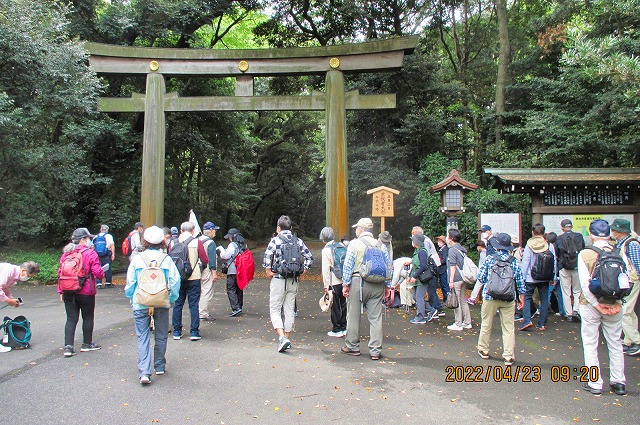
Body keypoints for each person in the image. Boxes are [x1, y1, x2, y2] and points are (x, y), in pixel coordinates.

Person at [124, 226, 181, 385]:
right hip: (162, 301)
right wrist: (171, 298)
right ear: (163, 241)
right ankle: (160, 365)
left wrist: (131, 297)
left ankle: (144, 372)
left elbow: (130, 283)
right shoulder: (167, 259)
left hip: (141, 302)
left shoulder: (137, 259)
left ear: (145, 241)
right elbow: (175, 281)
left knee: (142, 336)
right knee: (161, 334)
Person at [577, 219, 626, 396]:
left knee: (590, 343)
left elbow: (584, 285)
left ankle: (595, 382)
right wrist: (618, 303)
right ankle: (618, 381)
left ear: (591, 234)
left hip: (591, 305)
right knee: (615, 342)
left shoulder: (585, 254)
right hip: (614, 305)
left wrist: (597, 305)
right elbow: (624, 281)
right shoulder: (618, 252)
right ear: (608, 234)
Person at [340, 218, 391, 360]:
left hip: (358, 282)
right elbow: (388, 266)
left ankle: (352, 346)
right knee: (375, 318)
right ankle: (375, 350)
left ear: (361, 229)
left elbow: (348, 266)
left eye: (357, 228)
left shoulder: (354, 244)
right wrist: (387, 286)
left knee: (353, 315)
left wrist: (346, 284)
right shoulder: (381, 245)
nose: (356, 230)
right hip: (377, 284)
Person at [263, 215, 313, 352]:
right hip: (293, 280)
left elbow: (267, 256)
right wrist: (304, 270)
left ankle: (282, 338)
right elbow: (309, 257)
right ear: (290, 228)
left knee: (275, 309)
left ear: (278, 228)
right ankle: (287, 338)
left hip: (279, 279)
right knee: (289, 309)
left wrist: (268, 270)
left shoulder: (275, 240)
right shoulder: (298, 241)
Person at [476, 233, 525, 366]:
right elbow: (520, 281)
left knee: (486, 324)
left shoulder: (490, 259)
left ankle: (483, 350)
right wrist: (521, 296)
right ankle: (508, 356)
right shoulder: (514, 261)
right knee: (508, 327)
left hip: (490, 296)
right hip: (508, 297)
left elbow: (480, 277)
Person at [58, 228, 105, 357]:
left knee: (71, 319)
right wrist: (102, 273)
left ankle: (68, 347)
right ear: (83, 240)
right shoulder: (90, 253)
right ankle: (87, 344)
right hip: (86, 291)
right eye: (88, 238)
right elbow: (98, 273)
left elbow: (60, 274)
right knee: (88, 317)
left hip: (68, 290)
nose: (90, 240)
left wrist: (61, 291)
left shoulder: (66, 254)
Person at [172, 222, 208, 341]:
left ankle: (177, 331)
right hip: (194, 276)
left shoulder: (174, 242)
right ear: (193, 231)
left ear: (181, 231)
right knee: (193, 305)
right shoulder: (196, 242)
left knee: (178, 304)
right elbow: (204, 259)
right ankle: (194, 332)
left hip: (177, 278)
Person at [609, 218, 640, 357]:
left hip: (632, 280)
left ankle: (636, 341)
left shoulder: (631, 244)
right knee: (629, 311)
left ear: (621, 231)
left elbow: (637, 264)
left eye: (615, 230)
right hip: (626, 281)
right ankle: (628, 341)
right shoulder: (621, 243)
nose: (613, 232)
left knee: (625, 311)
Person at [519, 223, 557, 331]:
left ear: (532, 232)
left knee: (526, 297)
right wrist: (553, 277)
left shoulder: (529, 244)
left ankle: (527, 320)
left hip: (531, 276)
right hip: (545, 276)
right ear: (544, 233)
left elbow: (526, 261)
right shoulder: (549, 244)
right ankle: (542, 324)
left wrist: (523, 277)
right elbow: (554, 261)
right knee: (544, 299)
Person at [0, 261, 39, 353]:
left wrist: (11, 299)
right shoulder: (8, 270)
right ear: (23, 270)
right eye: (29, 276)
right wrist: (8, 301)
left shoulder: (14, 276)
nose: (28, 278)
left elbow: (5, 288)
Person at [556, 219, 586, 322]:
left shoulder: (559, 238)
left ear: (562, 227)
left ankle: (568, 314)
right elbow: (582, 249)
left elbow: (557, 253)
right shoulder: (579, 236)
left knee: (566, 291)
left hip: (564, 267)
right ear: (572, 226)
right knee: (577, 290)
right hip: (577, 267)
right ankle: (576, 311)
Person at [320, 226, 347, 337]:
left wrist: (326, 286)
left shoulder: (326, 250)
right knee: (344, 304)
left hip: (333, 281)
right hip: (344, 279)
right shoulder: (341, 245)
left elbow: (326, 269)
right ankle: (345, 327)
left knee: (335, 306)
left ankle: (337, 329)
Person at [411, 227, 444, 314]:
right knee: (429, 289)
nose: (412, 235)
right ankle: (436, 308)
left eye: (413, 233)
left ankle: (434, 309)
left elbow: (424, 258)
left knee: (430, 289)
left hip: (431, 268)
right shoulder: (425, 240)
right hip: (431, 266)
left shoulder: (424, 242)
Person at [407, 233, 438, 324]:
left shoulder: (422, 251)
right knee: (415, 297)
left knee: (419, 297)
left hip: (422, 278)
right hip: (417, 277)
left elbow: (423, 266)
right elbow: (414, 265)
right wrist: (410, 276)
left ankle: (420, 317)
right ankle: (431, 310)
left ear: (417, 242)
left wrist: (415, 276)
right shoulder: (417, 251)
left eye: (413, 240)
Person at [446, 228, 472, 330]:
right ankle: (467, 322)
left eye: (448, 236)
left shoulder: (452, 250)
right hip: (463, 277)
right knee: (462, 300)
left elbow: (452, 266)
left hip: (456, 278)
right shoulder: (461, 249)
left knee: (455, 301)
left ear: (451, 238)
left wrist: (451, 280)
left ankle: (458, 323)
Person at [218, 228, 246, 317]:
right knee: (239, 288)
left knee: (231, 288)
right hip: (241, 270)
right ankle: (239, 306)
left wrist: (221, 249)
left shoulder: (232, 245)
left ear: (233, 236)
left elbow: (225, 256)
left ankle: (236, 308)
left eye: (229, 237)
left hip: (232, 270)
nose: (229, 239)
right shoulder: (243, 245)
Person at [199, 221, 219, 321]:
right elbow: (212, 259)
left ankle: (198, 311)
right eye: (214, 230)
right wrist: (214, 272)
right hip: (207, 269)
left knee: (199, 291)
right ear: (211, 231)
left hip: (197, 269)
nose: (215, 232)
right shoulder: (210, 243)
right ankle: (203, 313)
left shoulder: (197, 239)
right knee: (206, 290)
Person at [93, 224, 115, 289]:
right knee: (107, 268)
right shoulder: (109, 236)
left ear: (100, 229)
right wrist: (113, 254)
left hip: (97, 255)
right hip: (106, 254)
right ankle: (108, 283)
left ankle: (98, 283)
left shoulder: (95, 237)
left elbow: (92, 246)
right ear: (107, 230)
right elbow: (112, 245)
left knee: (98, 268)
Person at [467, 240, 487, 305]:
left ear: (479, 246)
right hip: (485, 273)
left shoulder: (483, 253)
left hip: (482, 273)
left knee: (478, 285)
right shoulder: (487, 252)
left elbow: (484, 264)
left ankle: (472, 299)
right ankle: (473, 298)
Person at [436, 235, 450, 301]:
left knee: (445, 285)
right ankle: (445, 299)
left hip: (443, 269)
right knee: (442, 285)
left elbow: (444, 259)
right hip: (440, 269)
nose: (438, 243)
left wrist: (438, 263)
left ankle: (447, 299)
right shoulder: (440, 249)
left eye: (439, 241)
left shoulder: (445, 249)